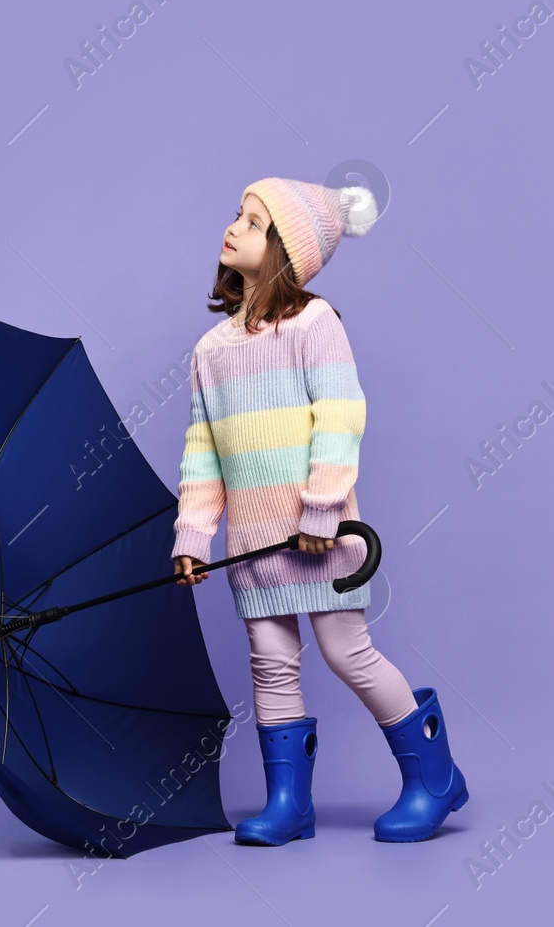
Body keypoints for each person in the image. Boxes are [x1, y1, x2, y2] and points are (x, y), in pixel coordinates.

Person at [170, 176, 469, 845]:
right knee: (270, 664)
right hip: (252, 546)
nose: (234, 227)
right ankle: (289, 805)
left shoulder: (315, 326)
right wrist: (192, 535)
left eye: (253, 221)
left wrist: (321, 510)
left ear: (284, 251)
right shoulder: (210, 353)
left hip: (318, 539)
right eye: (237, 215)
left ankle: (434, 777)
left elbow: (340, 419)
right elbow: (203, 454)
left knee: (348, 652)